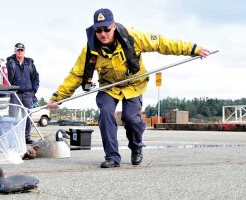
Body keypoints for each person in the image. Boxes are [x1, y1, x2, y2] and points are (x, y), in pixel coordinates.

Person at [47, 8, 210, 168]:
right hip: (109, 87)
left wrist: (192, 49)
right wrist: (58, 97)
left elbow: (162, 43)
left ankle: (136, 147)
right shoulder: (90, 49)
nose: (103, 34)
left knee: (131, 118)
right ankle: (112, 156)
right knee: (105, 113)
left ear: (114, 26)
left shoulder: (133, 37)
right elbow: (76, 75)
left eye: (107, 29)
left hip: (134, 84)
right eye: (98, 30)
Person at [6, 43, 40, 144]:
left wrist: (33, 91)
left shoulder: (30, 64)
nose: (20, 52)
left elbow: (36, 78)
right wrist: (9, 91)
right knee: (13, 116)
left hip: (27, 94)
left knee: (27, 117)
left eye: (21, 50)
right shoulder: (10, 63)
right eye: (18, 50)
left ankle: (26, 137)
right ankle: (13, 137)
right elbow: (6, 77)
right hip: (15, 94)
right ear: (15, 51)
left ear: (24, 51)